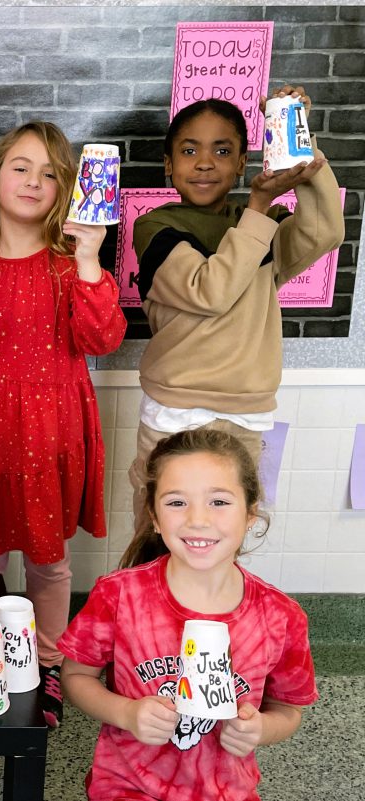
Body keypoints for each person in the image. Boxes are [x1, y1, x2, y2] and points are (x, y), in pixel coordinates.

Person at [0, 121, 126, 727]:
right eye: (20, 167)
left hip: (51, 428)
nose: (33, 181)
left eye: (49, 172)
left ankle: (46, 666)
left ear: (66, 187)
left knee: (48, 559)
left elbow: (103, 337)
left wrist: (92, 257)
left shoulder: (72, 265)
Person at [128, 87, 344, 537]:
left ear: (242, 162)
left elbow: (325, 230)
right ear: (169, 165)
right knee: (159, 538)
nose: (205, 162)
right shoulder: (156, 226)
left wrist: (297, 144)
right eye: (189, 151)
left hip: (246, 415)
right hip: (176, 410)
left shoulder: (258, 226)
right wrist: (260, 208)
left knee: (223, 542)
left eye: (222, 150)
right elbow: (210, 292)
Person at [59, 429, 317, 801]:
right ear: (155, 517)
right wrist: (126, 713)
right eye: (177, 503)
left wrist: (260, 728)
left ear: (250, 514)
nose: (198, 519)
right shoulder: (119, 595)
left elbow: (288, 710)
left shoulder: (280, 617)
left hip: (226, 790)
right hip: (127, 786)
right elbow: (76, 677)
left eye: (219, 502)